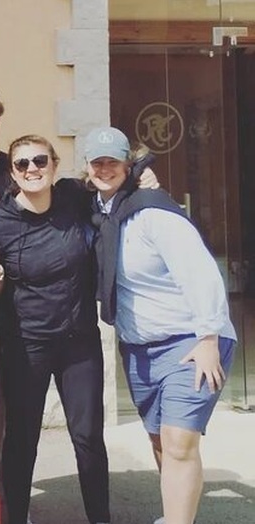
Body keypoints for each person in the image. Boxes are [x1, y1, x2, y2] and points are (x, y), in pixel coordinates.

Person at [85, 127, 236, 524]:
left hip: (190, 340)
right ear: (87, 167)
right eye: (97, 161)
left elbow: (202, 275)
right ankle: (176, 514)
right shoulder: (100, 212)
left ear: (128, 165)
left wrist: (207, 338)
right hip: (139, 347)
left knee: (179, 441)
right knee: (160, 440)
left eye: (112, 161)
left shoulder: (154, 212)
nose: (104, 168)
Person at [0, 135, 111, 524]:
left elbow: (112, 180)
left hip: (79, 343)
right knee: (22, 439)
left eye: (39, 160)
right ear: (12, 173)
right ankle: (16, 517)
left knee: (87, 438)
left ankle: (101, 518)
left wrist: (145, 176)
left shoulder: (73, 199)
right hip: (26, 345)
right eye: (22, 164)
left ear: (53, 165)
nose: (32, 169)